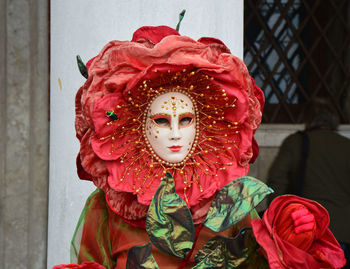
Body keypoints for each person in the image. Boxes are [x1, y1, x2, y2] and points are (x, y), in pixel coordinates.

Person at [54, 26, 346, 268]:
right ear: (135, 126)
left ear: (203, 122)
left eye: (186, 119)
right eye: (161, 121)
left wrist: (288, 240)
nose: (176, 134)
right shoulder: (107, 207)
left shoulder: (232, 201)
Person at [267, 98, 350, 268]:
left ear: (307, 119)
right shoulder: (346, 146)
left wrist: (276, 222)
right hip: (345, 233)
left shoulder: (295, 143)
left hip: (310, 234)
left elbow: (277, 182)